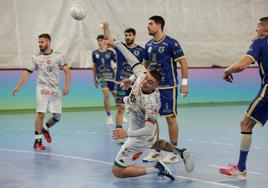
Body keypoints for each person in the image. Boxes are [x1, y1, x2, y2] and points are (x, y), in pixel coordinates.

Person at [102, 22, 194, 180]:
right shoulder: (143, 74)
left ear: (157, 86)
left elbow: (147, 129)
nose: (145, 82)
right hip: (142, 131)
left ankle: (157, 169)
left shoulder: (151, 103)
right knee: (154, 142)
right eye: (146, 78)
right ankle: (180, 151)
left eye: (150, 82)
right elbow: (131, 58)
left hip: (139, 136)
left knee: (118, 171)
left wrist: (126, 133)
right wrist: (116, 42)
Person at [219, 17, 268, 180]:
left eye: (258, 28)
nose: (256, 31)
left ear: (265, 29)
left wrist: (227, 70)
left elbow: (241, 65)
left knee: (245, 123)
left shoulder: (260, 43)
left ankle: (241, 169)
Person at [142, 15, 189, 164]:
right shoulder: (148, 45)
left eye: (150, 24)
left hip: (168, 86)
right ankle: (155, 151)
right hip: (152, 88)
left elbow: (183, 62)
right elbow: (144, 66)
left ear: (159, 25)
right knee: (151, 118)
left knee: (170, 118)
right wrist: (138, 82)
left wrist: (185, 83)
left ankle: (174, 152)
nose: (147, 26)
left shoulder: (171, 43)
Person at [12, 33, 71, 150]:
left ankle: (46, 129)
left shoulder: (58, 56)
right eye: (39, 42)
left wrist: (67, 86)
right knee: (41, 114)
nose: (39, 44)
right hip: (42, 89)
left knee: (57, 117)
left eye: (42, 42)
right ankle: (37, 141)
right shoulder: (36, 58)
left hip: (55, 90)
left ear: (48, 42)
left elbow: (67, 71)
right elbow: (28, 72)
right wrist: (18, 86)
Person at [113, 27, 145, 143]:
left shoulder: (141, 51)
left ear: (134, 36)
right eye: (126, 35)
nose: (127, 37)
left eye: (130, 35)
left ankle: (137, 134)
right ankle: (119, 134)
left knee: (136, 109)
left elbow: (143, 67)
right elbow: (109, 39)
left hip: (135, 84)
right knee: (120, 108)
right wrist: (106, 27)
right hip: (121, 82)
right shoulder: (120, 48)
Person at [92, 34, 116, 125]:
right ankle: (109, 116)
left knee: (116, 95)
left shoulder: (110, 52)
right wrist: (94, 79)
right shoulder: (95, 53)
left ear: (105, 42)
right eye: (98, 40)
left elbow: (117, 62)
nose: (100, 42)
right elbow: (94, 66)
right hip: (101, 77)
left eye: (102, 40)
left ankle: (121, 113)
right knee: (106, 94)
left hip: (111, 77)